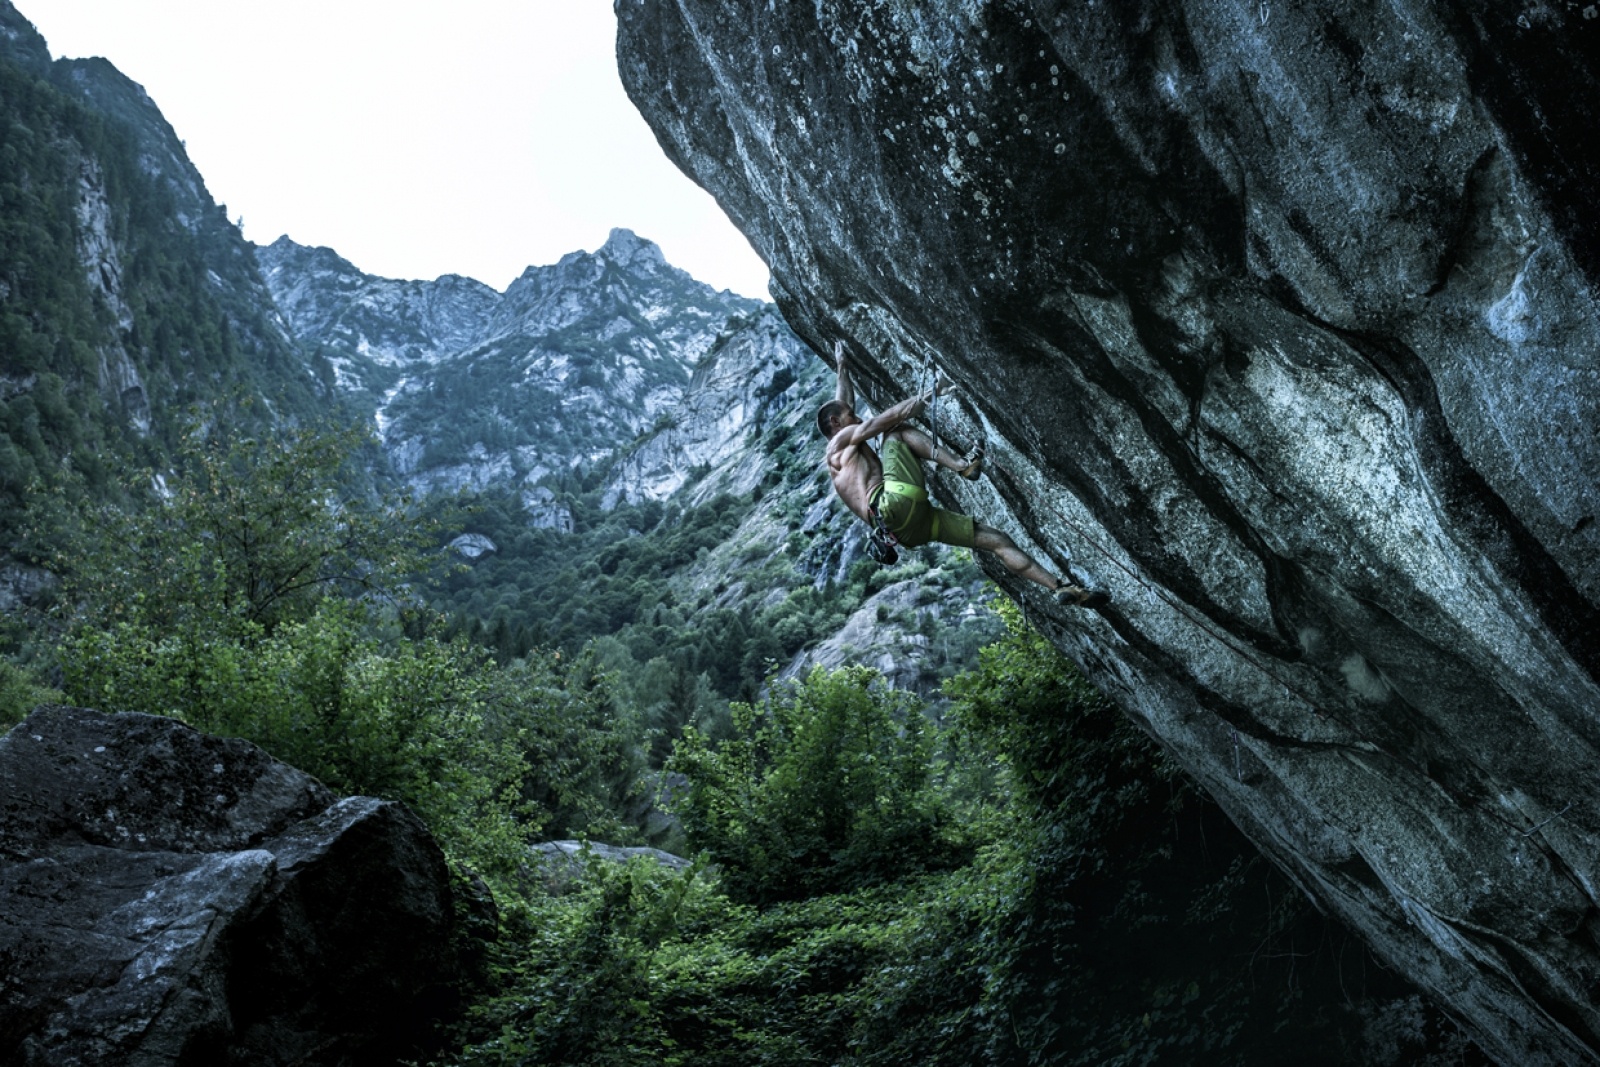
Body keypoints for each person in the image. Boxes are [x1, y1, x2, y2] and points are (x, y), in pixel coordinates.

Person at [817, 342, 1108, 608]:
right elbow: (885, 420)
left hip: (906, 530)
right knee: (895, 432)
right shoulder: (839, 442)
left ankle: (1060, 587)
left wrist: (842, 366)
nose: (858, 418)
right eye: (852, 417)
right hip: (893, 502)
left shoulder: (839, 453)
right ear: (836, 423)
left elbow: (842, 405)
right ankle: (962, 465)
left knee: (997, 540)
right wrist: (932, 393)